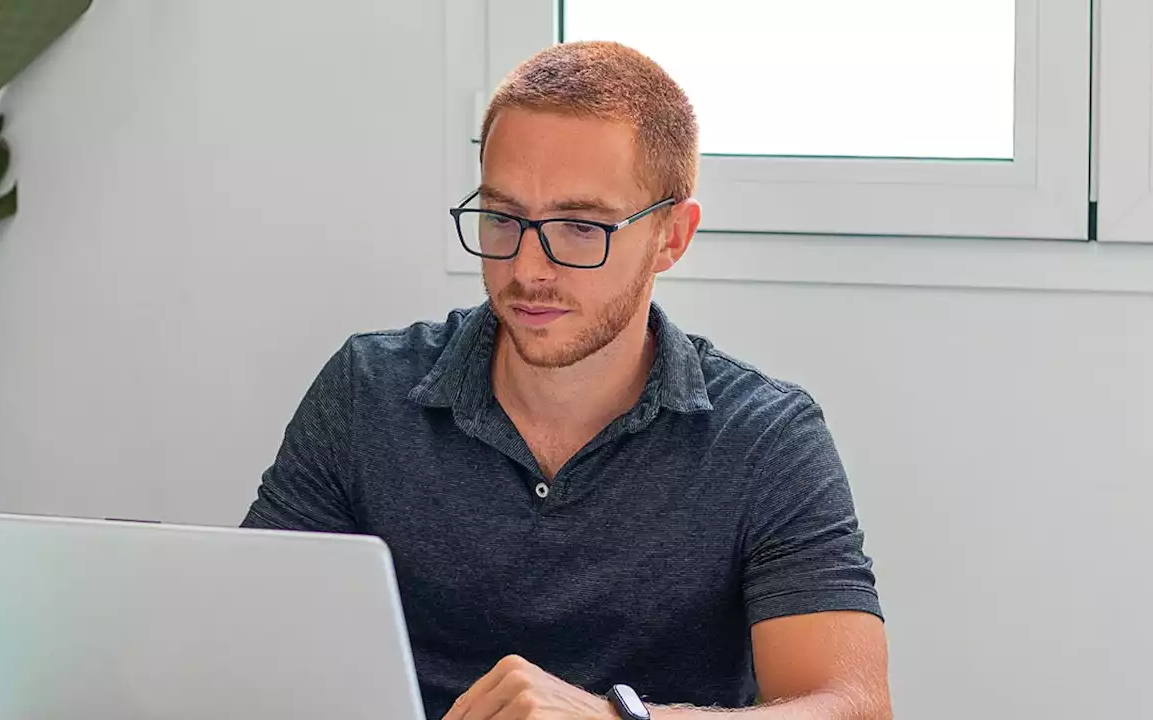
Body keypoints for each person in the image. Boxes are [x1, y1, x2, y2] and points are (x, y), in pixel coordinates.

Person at [243, 41, 890, 720]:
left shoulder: (764, 436)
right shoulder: (366, 392)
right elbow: (246, 638)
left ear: (672, 235)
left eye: (580, 227)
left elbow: (853, 707)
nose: (527, 268)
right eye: (502, 218)